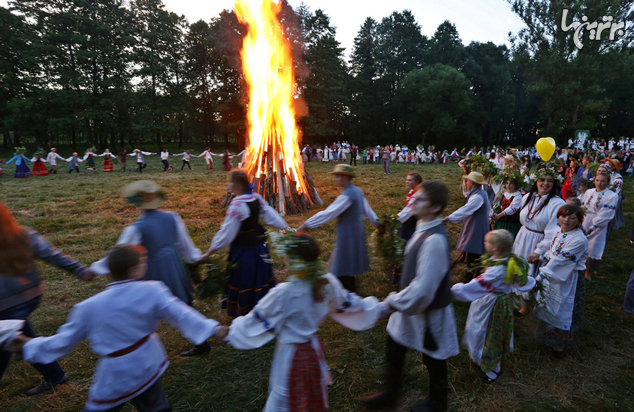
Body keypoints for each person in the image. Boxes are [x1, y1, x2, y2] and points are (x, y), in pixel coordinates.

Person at [8, 244, 227, 411]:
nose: (145, 264)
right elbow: (182, 315)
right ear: (133, 270)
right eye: (142, 262)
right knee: (154, 403)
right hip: (146, 362)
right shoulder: (152, 290)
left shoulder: (87, 308)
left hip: (117, 371)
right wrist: (214, 330)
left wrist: (26, 345)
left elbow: (62, 341)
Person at [226, 233, 383, 412]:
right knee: (309, 397)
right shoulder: (326, 283)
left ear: (292, 259)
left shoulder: (284, 293)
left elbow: (255, 322)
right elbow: (352, 305)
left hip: (291, 356)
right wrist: (380, 308)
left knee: (288, 400)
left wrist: (228, 332)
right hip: (312, 351)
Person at [359, 181, 459, 412]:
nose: (413, 201)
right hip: (410, 305)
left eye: (420, 199)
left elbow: (424, 289)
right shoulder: (421, 226)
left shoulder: (434, 240)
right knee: (394, 346)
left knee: (433, 357)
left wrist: (392, 303)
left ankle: (437, 403)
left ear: (435, 207)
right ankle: (390, 393)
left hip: (427, 310)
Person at [90, 180, 209, 357]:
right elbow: (185, 245)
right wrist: (195, 257)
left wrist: (94, 269)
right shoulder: (173, 217)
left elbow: (119, 254)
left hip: (152, 272)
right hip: (174, 267)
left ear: (138, 203)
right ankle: (201, 341)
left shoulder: (136, 229)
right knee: (182, 307)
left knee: (142, 310)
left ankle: (138, 348)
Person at [0, 201, 94, 396]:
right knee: (19, 336)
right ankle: (56, 377)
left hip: (5, 305)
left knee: (6, 341)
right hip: (29, 298)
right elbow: (53, 255)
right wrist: (79, 270)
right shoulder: (24, 235)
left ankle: (55, 376)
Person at [201, 170, 288, 317]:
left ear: (238, 185)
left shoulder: (237, 205)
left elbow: (227, 232)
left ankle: (247, 312)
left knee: (245, 278)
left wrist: (210, 251)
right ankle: (263, 307)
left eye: (230, 182)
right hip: (260, 247)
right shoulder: (256, 198)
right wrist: (286, 229)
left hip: (244, 251)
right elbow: (271, 217)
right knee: (260, 276)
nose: (228, 185)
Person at [451, 230, 535, 383]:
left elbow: (478, 285)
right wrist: (533, 283)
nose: (485, 244)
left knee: (487, 332)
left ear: (495, 247)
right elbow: (521, 280)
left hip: (492, 305)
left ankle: (491, 369)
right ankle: (483, 358)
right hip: (496, 300)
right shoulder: (506, 260)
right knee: (483, 330)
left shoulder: (498, 270)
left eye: (487, 242)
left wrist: (454, 290)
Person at [298, 165, 378, 292]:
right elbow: (369, 213)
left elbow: (329, 213)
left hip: (347, 235)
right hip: (356, 234)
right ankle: (346, 286)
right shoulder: (357, 191)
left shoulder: (347, 196)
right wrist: (378, 224)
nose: (335, 179)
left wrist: (306, 225)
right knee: (348, 260)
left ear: (346, 177)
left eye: (338, 176)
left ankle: (346, 293)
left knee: (343, 263)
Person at [533, 205, 589, 358]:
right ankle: (546, 338)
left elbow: (560, 261)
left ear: (578, 221)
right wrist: (542, 256)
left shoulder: (578, 239)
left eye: (572, 218)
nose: (567, 220)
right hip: (551, 275)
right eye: (564, 216)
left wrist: (538, 278)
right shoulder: (558, 231)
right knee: (550, 307)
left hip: (568, 278)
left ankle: (559, 346)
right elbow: (553, 252)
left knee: (564, 310)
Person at [513, 164, 566, 277]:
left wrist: (538, 251)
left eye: (550, 181)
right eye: (542, 180)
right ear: (536, 181)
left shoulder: (557, 204)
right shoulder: (527, 197)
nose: (545, 183)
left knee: (530, 274)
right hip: (522, 237)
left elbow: (553, 232)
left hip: (539, 242)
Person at [444, 172, 491, 282]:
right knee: (475, 253)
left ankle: (471, 279)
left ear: (473, 183)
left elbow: (465, 209)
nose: (466, 182)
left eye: (468, 181)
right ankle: (474, 276)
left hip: (476, 229)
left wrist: (448, 218)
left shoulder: (478, 196)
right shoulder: (480, 193)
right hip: (476, 226)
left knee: (474, 253)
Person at [581, 172, 618, 280]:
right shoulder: (589, 192)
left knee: (594, 248)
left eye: (603, 181)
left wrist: (594, 225)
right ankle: (580, 267)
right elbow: (583, 206)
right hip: (585, 219)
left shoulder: (611, 196)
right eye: (597, 180)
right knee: (581, 243)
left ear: (608, 183)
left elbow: (606, 213)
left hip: (598, 224)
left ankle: (589, 271)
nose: (599, 183)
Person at [490, 171, 523, 239]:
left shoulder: (518, 196)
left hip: (511, 223)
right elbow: (497, 205)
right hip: (501, 221)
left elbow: (512, 209)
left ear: (515, 185)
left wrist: (499, 215)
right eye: (507, 183)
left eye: (511, 183)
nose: (508, 185)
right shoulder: (504, 193)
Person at [397, 172, 423, 241]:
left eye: (410, 180)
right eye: (406, 180)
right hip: (408, 219)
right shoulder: (412, 190)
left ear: (417, 182)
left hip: (414, 222)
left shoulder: (418, 194)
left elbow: (408, 210)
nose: (407, 182)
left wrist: (394, 219)